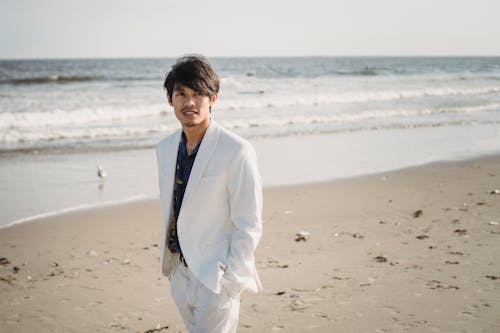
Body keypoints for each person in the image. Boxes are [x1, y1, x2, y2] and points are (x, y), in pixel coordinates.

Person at [156, 55, 263, 333]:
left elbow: (249, 222)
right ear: (170, 99)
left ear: (213, 99)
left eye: (198, 94)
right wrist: (174, 270)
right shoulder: (165, 149)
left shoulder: (236, 150)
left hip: (216, 278)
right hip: (179, 274)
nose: (189, 102)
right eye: (181, 93)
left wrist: (231, 281)